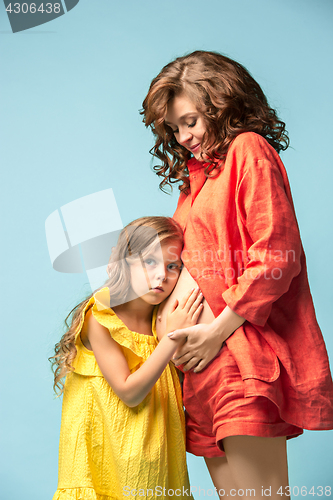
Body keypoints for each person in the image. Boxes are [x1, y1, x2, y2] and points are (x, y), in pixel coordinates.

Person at [142, 51, 333, 499]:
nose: (183, 136)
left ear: (221, 104)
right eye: (173, 127)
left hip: (237, 357)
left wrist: (213, 332)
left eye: (190, 121)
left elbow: (275, 258)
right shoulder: (197, 179)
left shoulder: (248, 150)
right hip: (198, 370)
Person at [50, 216, 203, 499]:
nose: (161, 276)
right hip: (109, 466)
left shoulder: (163, 318)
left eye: (173, 267)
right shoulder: (102, 316)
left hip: (156, 462)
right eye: (150, 262)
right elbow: (129, 393)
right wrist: (172, 338)